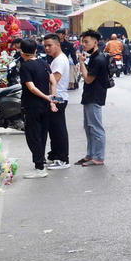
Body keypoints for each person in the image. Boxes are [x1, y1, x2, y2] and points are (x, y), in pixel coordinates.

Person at [17, 38, 56, 178]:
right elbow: (53, 81)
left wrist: (47, 98)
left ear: (22, 51)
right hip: (45, 106)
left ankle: (39, 167)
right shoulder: (44, 63)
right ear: (35, 50)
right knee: (42, 134)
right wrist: (52, 99)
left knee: (33, 136)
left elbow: (31, 88)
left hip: (32, 105)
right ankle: (41, 162)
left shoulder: (25, 67)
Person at [77, 30, 110, 167]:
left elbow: (88, 79)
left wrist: (81, 63)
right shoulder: (94, 56)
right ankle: (90, 154)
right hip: (90, 95)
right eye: (83, 42)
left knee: (96, 128)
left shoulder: (99, 59)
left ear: (95, 42)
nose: (84, 44)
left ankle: (99, 157)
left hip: (94, 96)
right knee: (89, 127)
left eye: (86, 42)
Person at [42, 33, 72, 170]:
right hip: (57, 97)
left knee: (58, 129)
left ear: (58, 45)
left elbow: (55, 80)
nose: (47, 48)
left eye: (49, 45)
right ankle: (56, 156)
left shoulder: (60, 60)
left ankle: (62, 159)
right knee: (54, 130)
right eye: (45, 46)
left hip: (58, 97)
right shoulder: (56, 59)